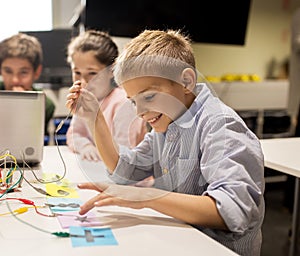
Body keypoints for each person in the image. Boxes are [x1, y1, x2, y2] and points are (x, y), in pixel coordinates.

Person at [66, 29, 265, 256]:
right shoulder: (169, 122)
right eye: (133, 102)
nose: (140, 112)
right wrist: (95, 119)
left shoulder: (221, 125)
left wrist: (146, 196)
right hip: (180, 241)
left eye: (149, 96)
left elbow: (232, 211)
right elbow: (125, 170)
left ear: (187, 81)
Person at [65, 30, 147, 161]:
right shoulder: (84, 101)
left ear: (111, 71)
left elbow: (123, 153)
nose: (83, 81)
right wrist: (86, 147)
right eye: (77, 72)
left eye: (92, 73)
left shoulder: (123, 102)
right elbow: (74, 135)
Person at [0, 33, 55, 136]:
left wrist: (22, 108)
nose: (15, 80)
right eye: (8, 71)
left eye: (23, 72)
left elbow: (29, 138)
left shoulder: (44, 104)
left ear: (37, 72)